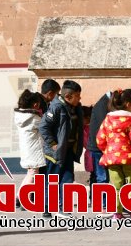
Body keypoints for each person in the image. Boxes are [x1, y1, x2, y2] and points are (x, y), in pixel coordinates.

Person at [96, 89, 131, 219]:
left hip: (111, 159)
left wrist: (108, 151)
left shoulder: (108, 119)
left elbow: (100, 139)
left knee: (116, 185)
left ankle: (117, 213)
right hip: (128, 158)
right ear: (128, 103)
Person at [38, 79, 83, 217]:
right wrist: (53, 144)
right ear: (68, 96)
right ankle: (47, 208)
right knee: (52, 180)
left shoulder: (76, 107)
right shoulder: (56, 107)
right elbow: (43, 127)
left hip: (68, 150)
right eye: (77, 96)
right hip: (55, 153)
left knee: (68, 178)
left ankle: (64, 208)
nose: (79, 99)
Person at [14, 89, 46, 210]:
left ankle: (23, 197)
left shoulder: (22, 116)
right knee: (33, 173)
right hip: (34, 150)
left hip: (28, 148)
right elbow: (45, 126)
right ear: (35, 104)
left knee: (32, 173)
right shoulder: (33, 118)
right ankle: (20, 197)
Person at [85, 90, 114, 188]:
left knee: (97, 176)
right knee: (102, 177)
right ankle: (102, 202)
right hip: (98, 149)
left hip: (96, 148)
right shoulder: (102, 106)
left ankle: (95, 199)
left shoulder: (102, 104)